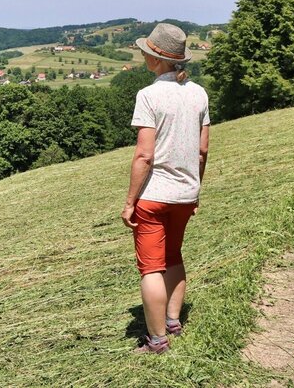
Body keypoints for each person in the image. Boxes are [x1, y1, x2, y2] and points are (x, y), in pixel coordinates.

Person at [121, 23, 210, 354]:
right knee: (174, 256)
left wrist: (130, 202)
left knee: (151, 267)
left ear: (156, 58)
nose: (143, 53)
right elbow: (202, 151)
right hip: (186, 194)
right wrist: (196, 190)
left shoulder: (148, 96)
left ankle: (157, 341)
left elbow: (144, 155)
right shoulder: (199, 93)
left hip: (154, 195)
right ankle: (173, 321)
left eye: (146, 50)